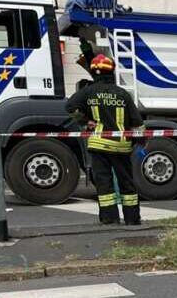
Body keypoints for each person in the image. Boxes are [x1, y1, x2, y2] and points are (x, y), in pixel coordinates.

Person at [66, 54, 144, 225]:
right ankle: (132, 219)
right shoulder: (122, 94)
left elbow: (70, 106)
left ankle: (109, 218)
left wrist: (86, 122)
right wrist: (140, 144)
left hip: (99, 145)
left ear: (94, 73)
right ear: (112, 72)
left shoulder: (88, 91)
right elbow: (137, 122)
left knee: (104, 184)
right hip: (121, 146)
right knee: (127, 183)